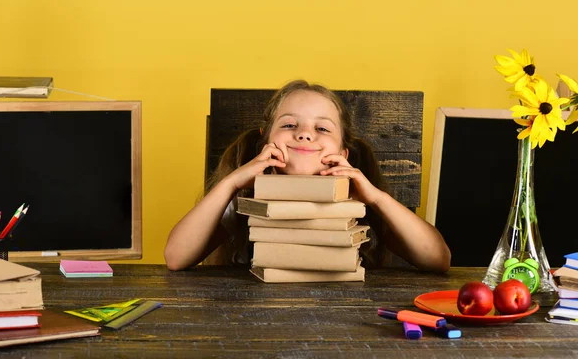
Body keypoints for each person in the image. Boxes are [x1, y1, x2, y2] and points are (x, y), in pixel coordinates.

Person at [165, 80, 451, 272]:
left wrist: (376, 198)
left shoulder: (359, 203)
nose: (304, 133)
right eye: (289, 124)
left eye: (323, 129)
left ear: (343, 152)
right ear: (265, 141)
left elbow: (438, 259)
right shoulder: (246, 198)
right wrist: (232, 182)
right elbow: (176, 258)